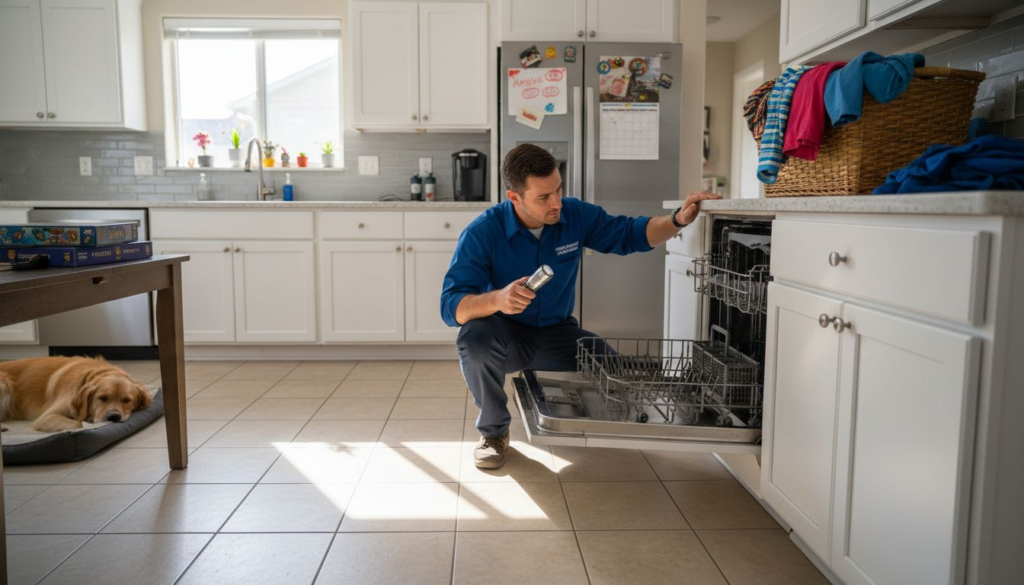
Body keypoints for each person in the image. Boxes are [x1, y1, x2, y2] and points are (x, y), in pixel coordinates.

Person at [440, 143, 720, 469]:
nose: (556, 202)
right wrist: (498, 298)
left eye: (558, 189)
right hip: (504, 334)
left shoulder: (574, 215)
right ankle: (493, 432)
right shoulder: (482, 232)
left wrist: (677, 219)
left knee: (617, 375)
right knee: (473, 339)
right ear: (514, 198)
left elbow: (629, 234)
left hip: (558, 334)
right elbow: (450, 307)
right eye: (543, 197)